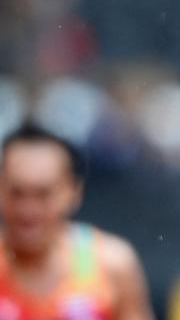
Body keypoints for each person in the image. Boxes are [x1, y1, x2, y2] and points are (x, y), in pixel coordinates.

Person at [0, 124, 154, 320]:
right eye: (17, 193)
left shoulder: (112, 265)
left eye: (43, 194)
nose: (28, 210)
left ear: (73, 191)